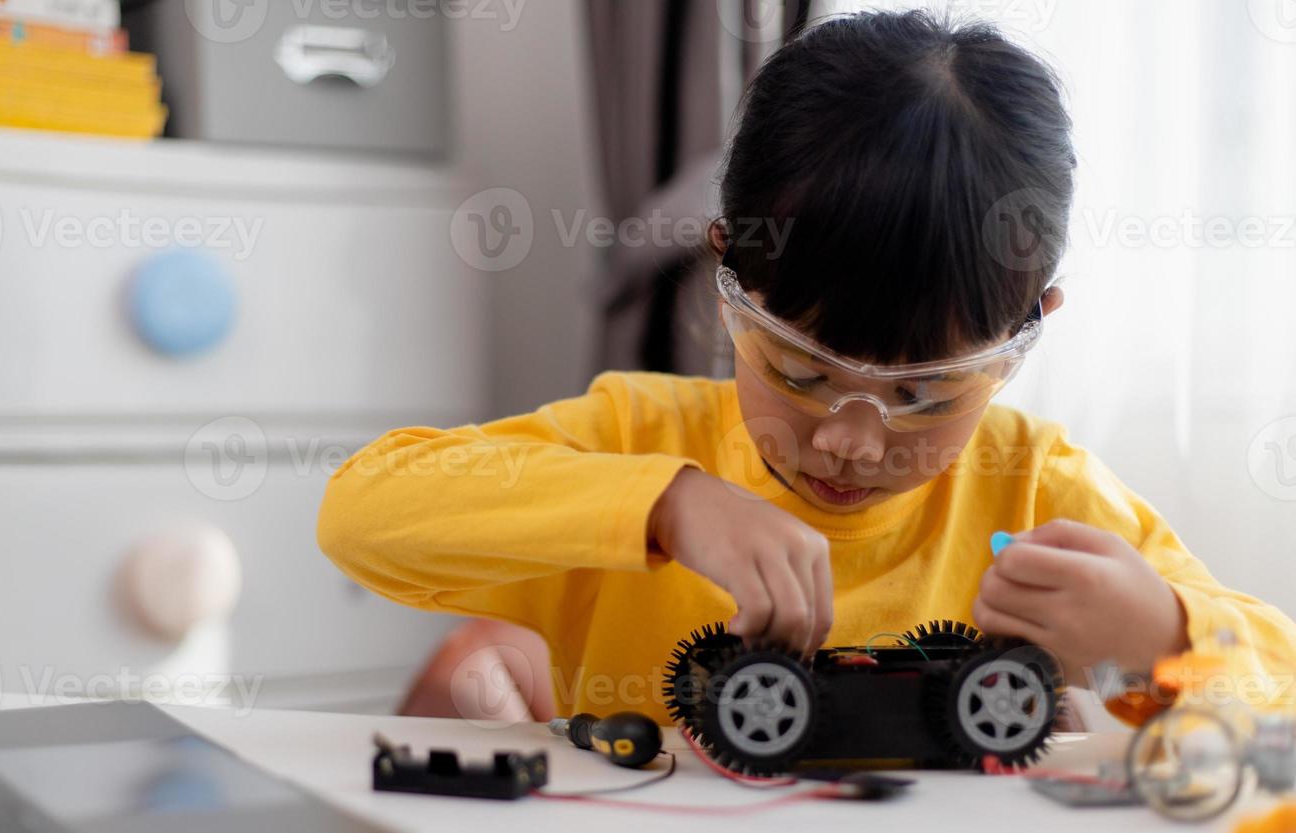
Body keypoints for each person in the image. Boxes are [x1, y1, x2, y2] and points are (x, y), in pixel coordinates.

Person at [320, 10, 1296, 726]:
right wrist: (665, 505)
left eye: (922, 393)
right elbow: (360, 513)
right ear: (728, 274)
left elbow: (1280, 694)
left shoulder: (1035, 490)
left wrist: (1164, 636)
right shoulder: (638, 439)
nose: (850, 438)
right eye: (800, 369)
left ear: (1030, 330)